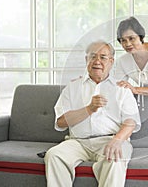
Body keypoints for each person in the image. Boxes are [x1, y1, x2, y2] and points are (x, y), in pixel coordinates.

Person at [44, 40, 141, 187]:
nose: (97, 61)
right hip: (78, 142)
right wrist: (89, 109)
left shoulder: (122, 89)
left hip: (110, 140)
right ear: (86, 60)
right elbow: (61, 122)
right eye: (93, 56)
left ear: (111, 61)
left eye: (103, 57)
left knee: (116, 157)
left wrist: (118, 140)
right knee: (54, 155)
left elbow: (131, 122)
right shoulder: (72, 87)